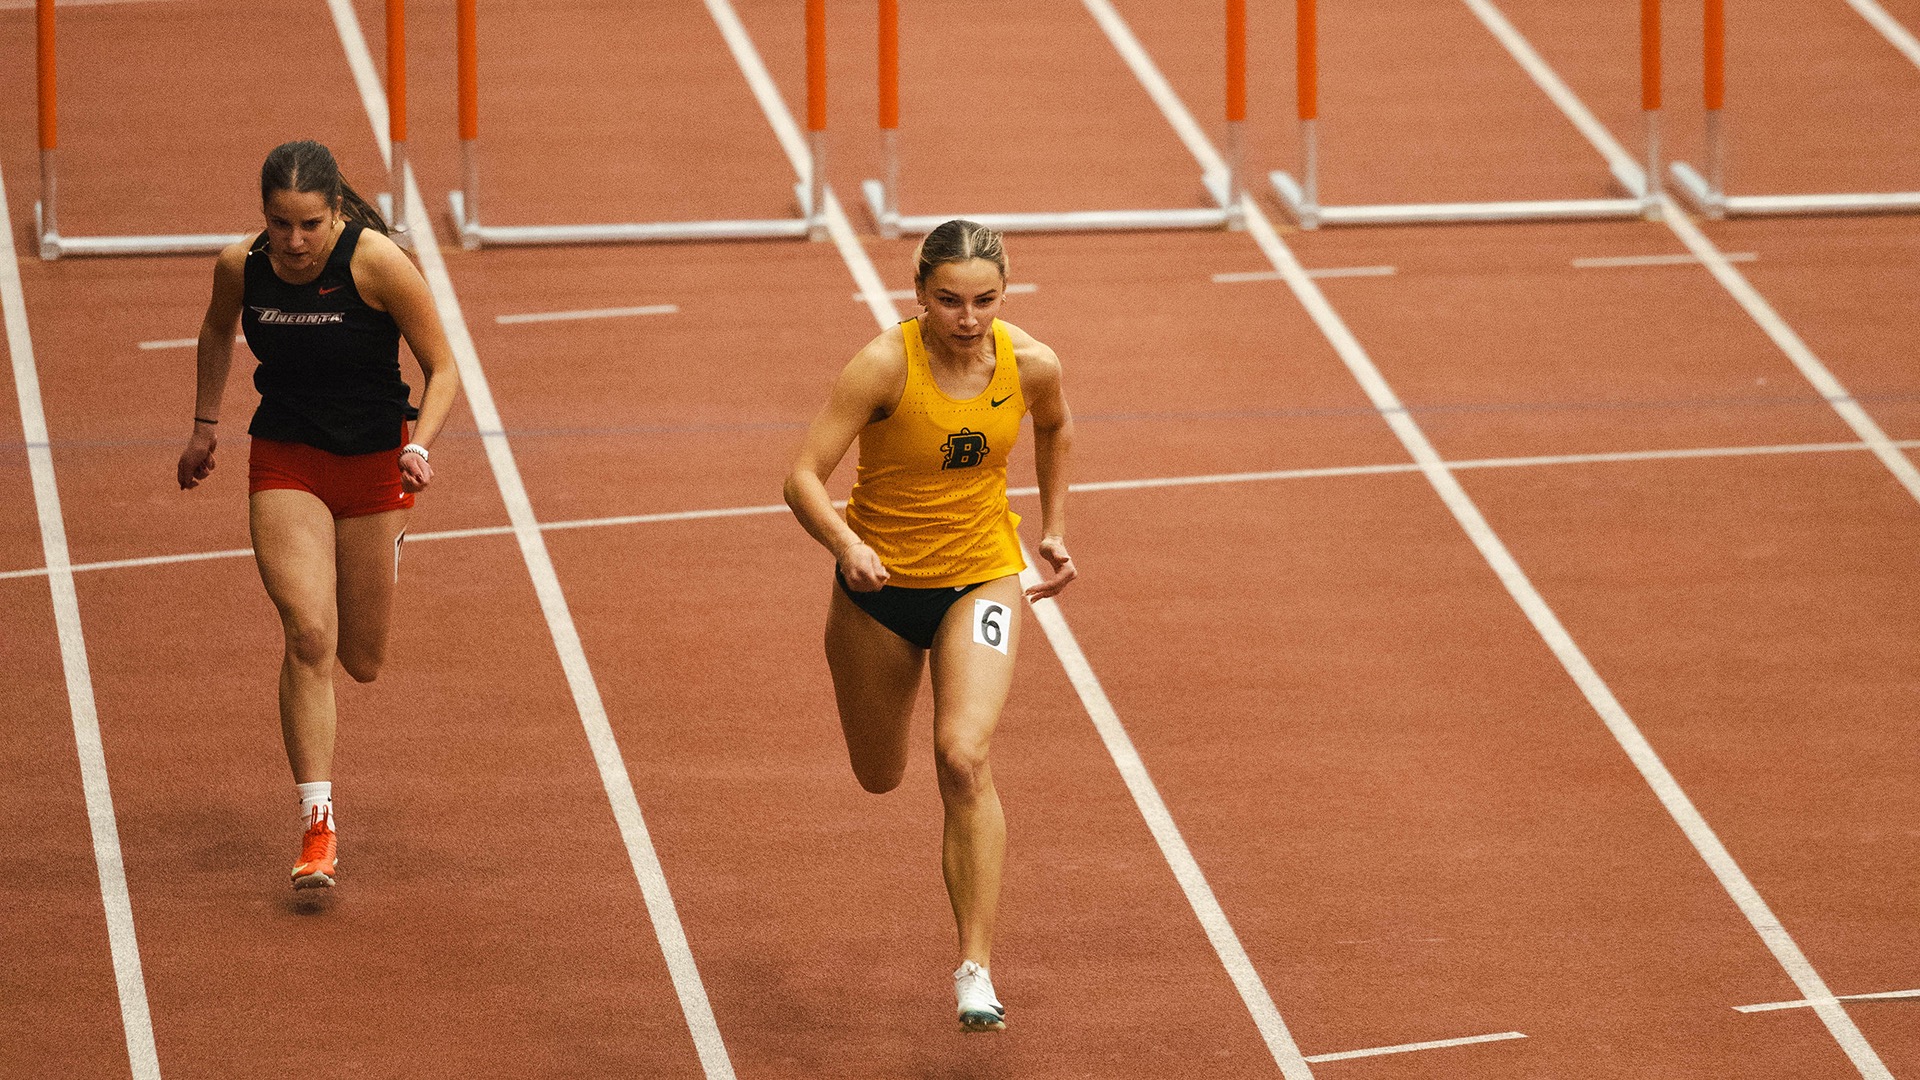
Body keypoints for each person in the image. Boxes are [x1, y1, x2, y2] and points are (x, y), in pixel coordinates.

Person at [784, 219, 1076, 1031]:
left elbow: (1053, 426)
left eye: (985, 300)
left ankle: (974, 969)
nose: (968, 318)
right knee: (880, 774)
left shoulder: (1032, 364)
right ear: (919, 293)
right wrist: (847, 545)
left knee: (963, 755)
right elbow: (802, 476)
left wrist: (1051, 526)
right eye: (949, 300)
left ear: (1004, 295)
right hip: (879, 592)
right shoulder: (882, 365)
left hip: (980, 578)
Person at [176, 140, 459, 890]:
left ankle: (387, 546)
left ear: (336, 213)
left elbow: (445, 366)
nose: (294, 243)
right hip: (287, 458)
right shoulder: (241, 265)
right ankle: (316, 823)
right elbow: (214, 330)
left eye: (308, 225)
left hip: (374, 465)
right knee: (308, 633)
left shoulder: (377, 265)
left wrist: (420, 446)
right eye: (279, 225)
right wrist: (206, 424)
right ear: (262, 218)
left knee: (361, 662)